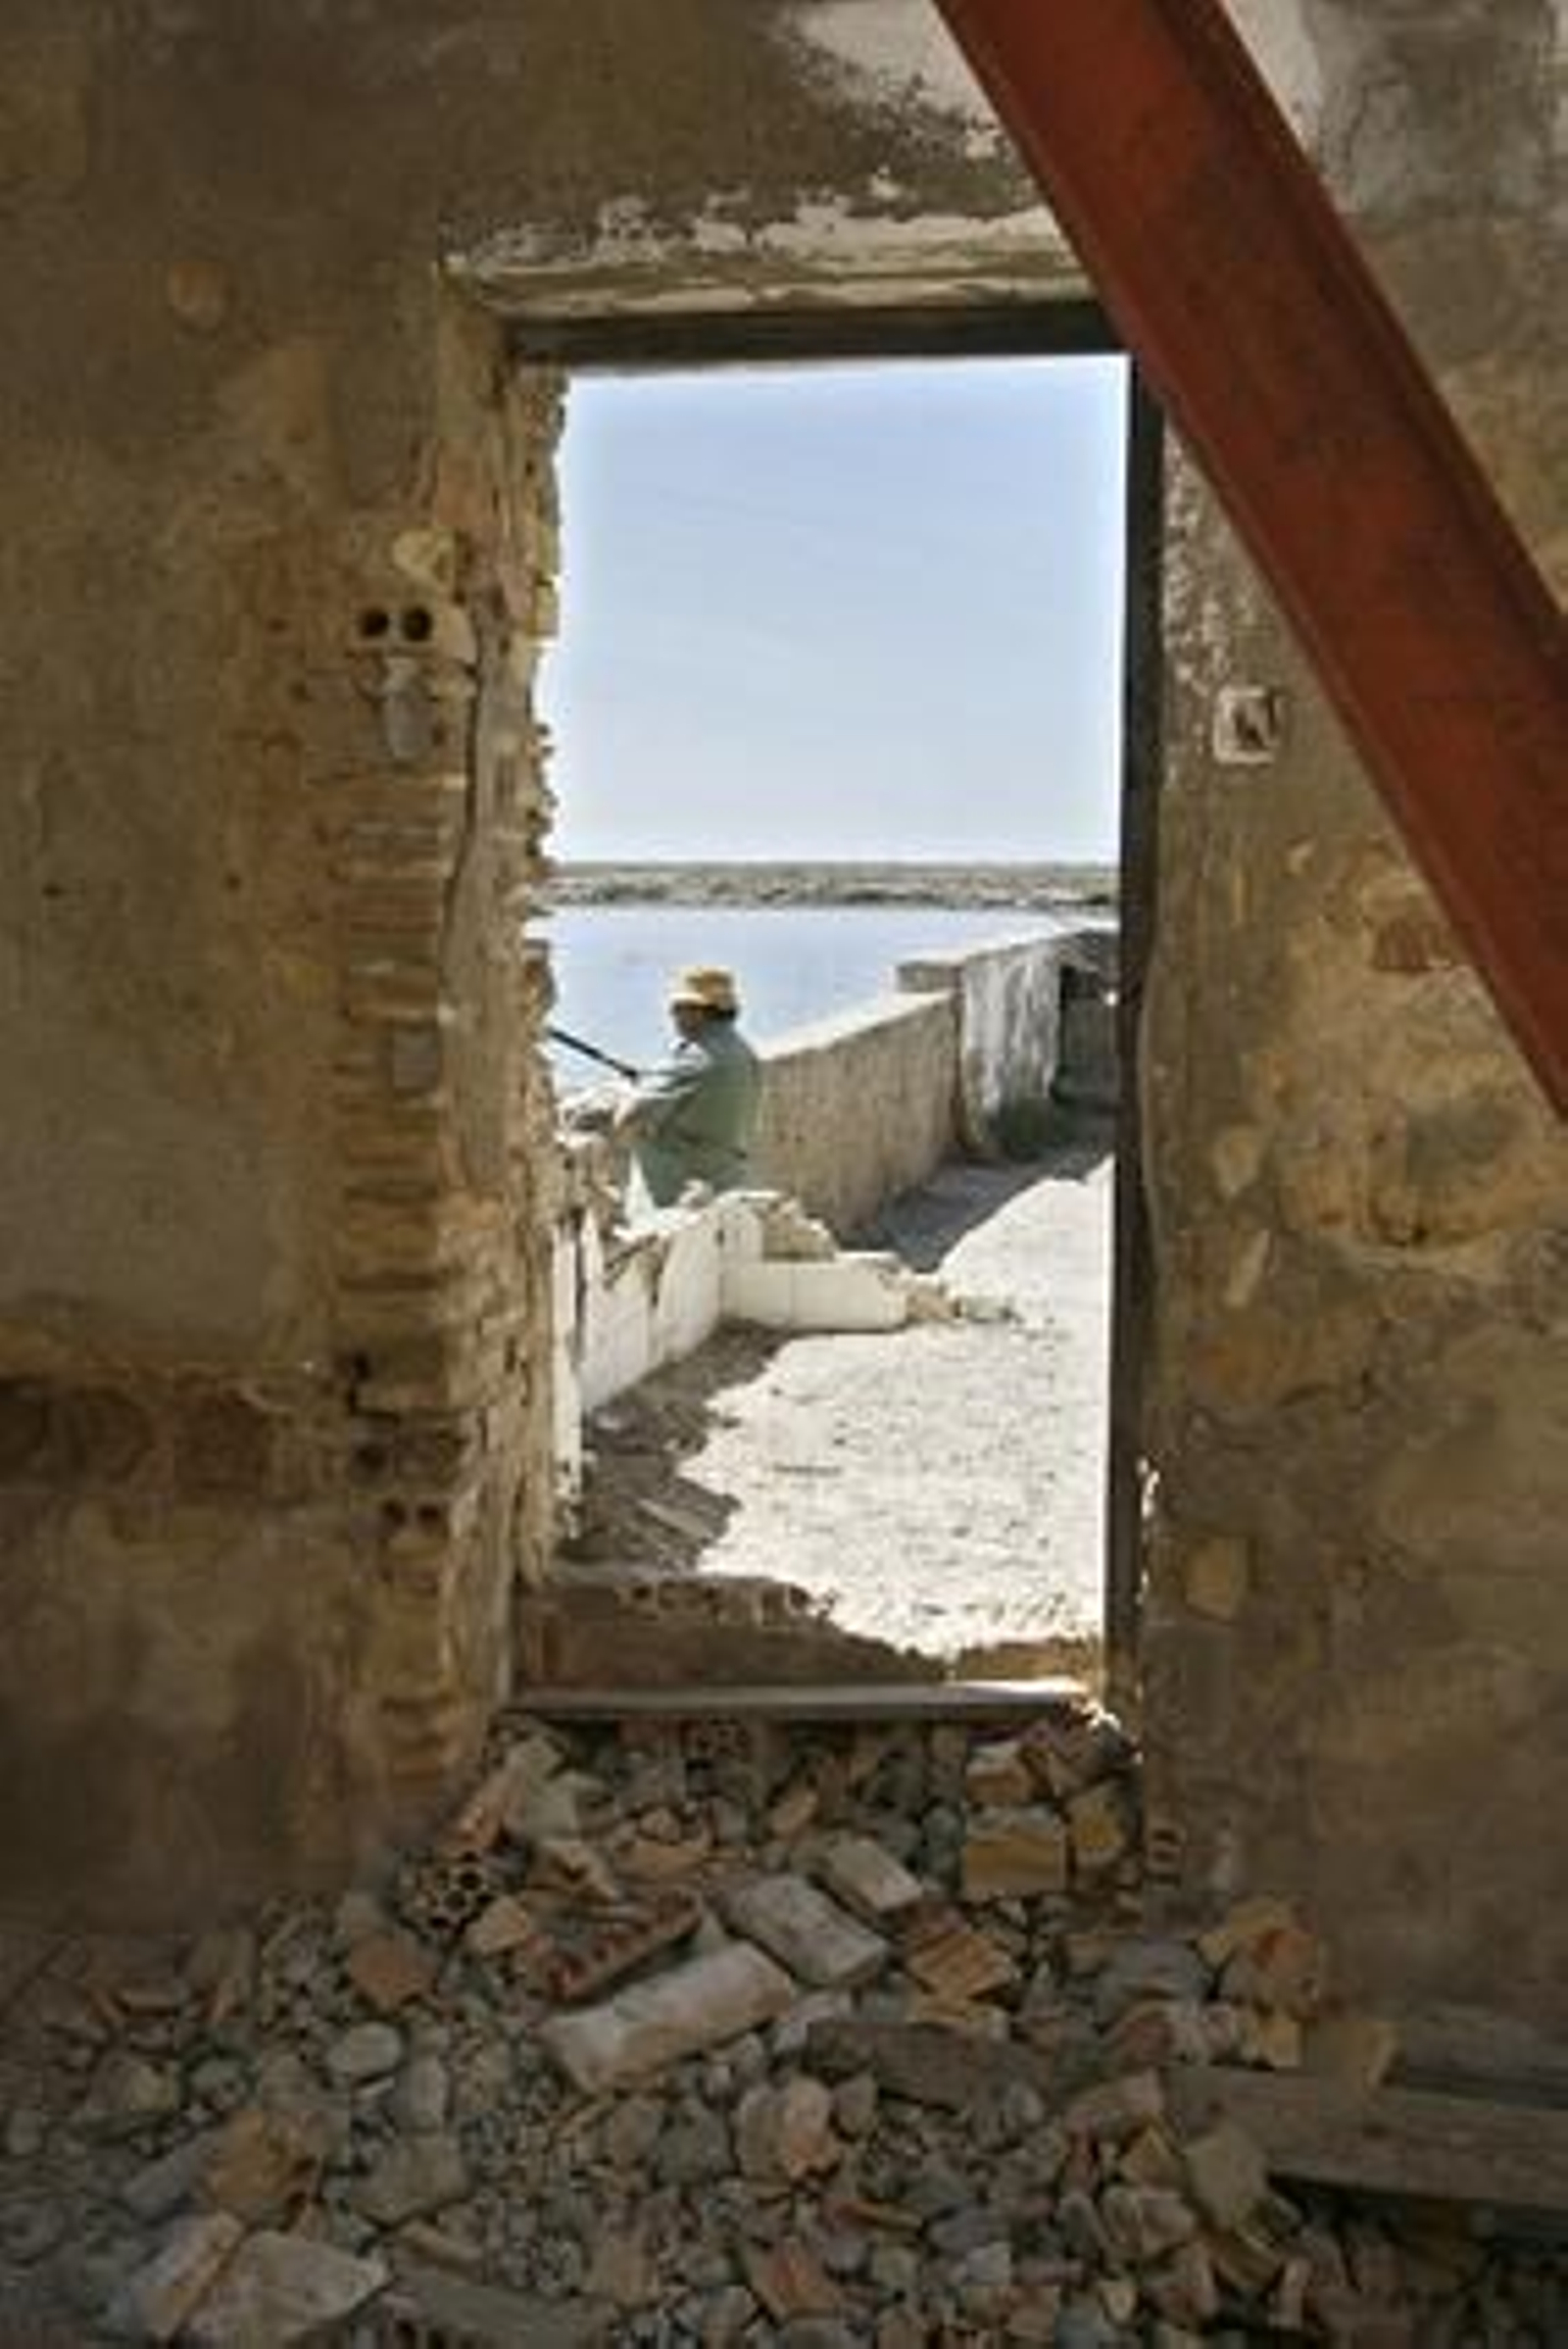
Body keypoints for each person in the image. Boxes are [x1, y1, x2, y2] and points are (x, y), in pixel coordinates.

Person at [613, 965, 761, 1209]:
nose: (672, 1014)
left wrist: (632, 1091)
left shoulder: (695, 1058)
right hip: (726, 1187)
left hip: (679, 1197)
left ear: (699, 1012)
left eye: (678, 1007)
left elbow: (627, 1118)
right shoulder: (744, 1053)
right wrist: (654, 1081)